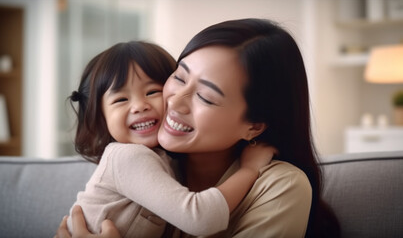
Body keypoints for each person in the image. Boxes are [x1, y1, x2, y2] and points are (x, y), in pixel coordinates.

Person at [56, 18, 340, 237]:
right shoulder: (152, 164)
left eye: (205, 96)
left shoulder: (280, 186)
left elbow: (199, 215)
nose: (174, 102)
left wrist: (248, 172)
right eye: (178, 78)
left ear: (253, 126)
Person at [65, 40, 275, 238]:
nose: (140, 105)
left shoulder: (169, 160)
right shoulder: (127, 157)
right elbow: (200, 218)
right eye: (121, 99)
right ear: (101, 117)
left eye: (152, 91)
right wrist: (249, 169)